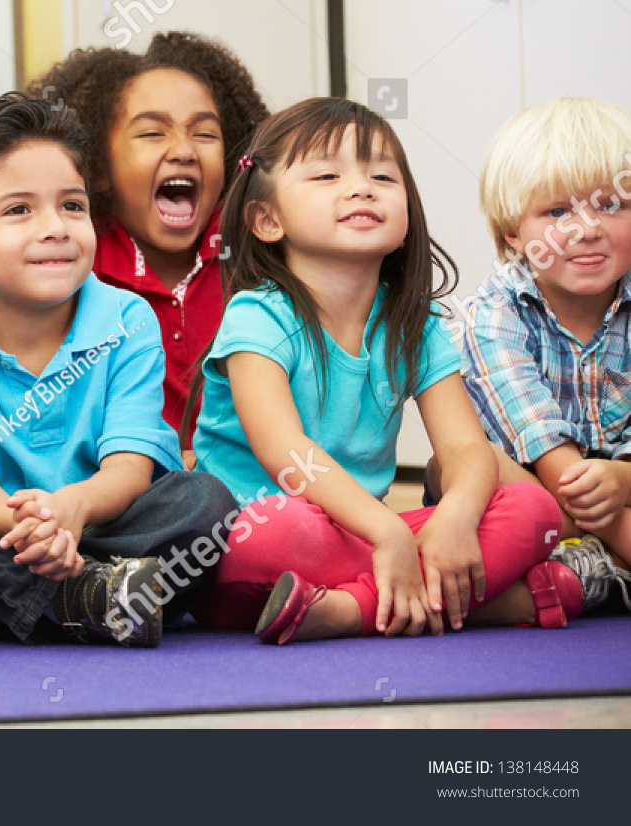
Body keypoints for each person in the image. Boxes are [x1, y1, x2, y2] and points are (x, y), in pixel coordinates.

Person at [0, 94, 237, 649]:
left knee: (205, 503)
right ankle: (85, 599)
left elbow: (129, 469)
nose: (56, 228)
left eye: (72, 207)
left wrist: (69, 510)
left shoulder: (127, 320)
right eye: (18, 210)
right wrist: (28, 528)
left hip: (102, 521)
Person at [190, 98, 585, 644]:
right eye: (327, 174)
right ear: (266, 219)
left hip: (364, 541)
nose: (361, 187)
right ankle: (482, 603)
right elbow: (284, 450)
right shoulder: (257, 316)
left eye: (381, 174)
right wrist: (387, 532)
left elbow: (466, 450)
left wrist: (457, 516)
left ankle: (352, 609)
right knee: (280, 529)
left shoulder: (414, 324)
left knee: (532, 508)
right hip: (260, 539)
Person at [32, 33, 268, 453]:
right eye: (152, 134)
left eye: (205, 135)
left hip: (248, 482)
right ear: (98, 168)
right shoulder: (73, 260)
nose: (183, 150)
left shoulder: (258, 252)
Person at [458, 97, 631, 612]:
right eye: (557, 212)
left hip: (620, 483)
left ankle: (589, 566)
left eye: (611, 205)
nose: (586, 229)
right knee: (469, 465)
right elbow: (552, 459)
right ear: (514, 233)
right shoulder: (491, 316)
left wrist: (622, 479)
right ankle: (602, 559)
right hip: (538, 487)